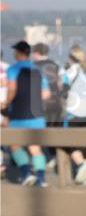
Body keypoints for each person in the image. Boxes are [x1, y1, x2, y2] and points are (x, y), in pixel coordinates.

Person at [2, 41, 51, 186]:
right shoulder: (38, 70)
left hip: (19, 114)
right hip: (37, 115)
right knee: (35, 147)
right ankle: (41, 178)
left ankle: (26, 173)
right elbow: (46, 94)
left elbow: (12, 89)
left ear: (18, 53)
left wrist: (6, 103)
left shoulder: (13, 69)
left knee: (14, 144)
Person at [62, 46, 86, 185]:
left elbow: (64, 92)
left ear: (71, 58)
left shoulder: (70, 71)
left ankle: (84, 168)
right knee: (84, 144)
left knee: (70, 144)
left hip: (74, 113)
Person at [32, 43, 63, 168]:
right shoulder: (55, 64)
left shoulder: (33, 66)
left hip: (41, 104)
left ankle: (46, 157)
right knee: (54, 130)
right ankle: (55, 156)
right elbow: (59, 83)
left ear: (36, 53)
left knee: (40, 132)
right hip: (56, 103)